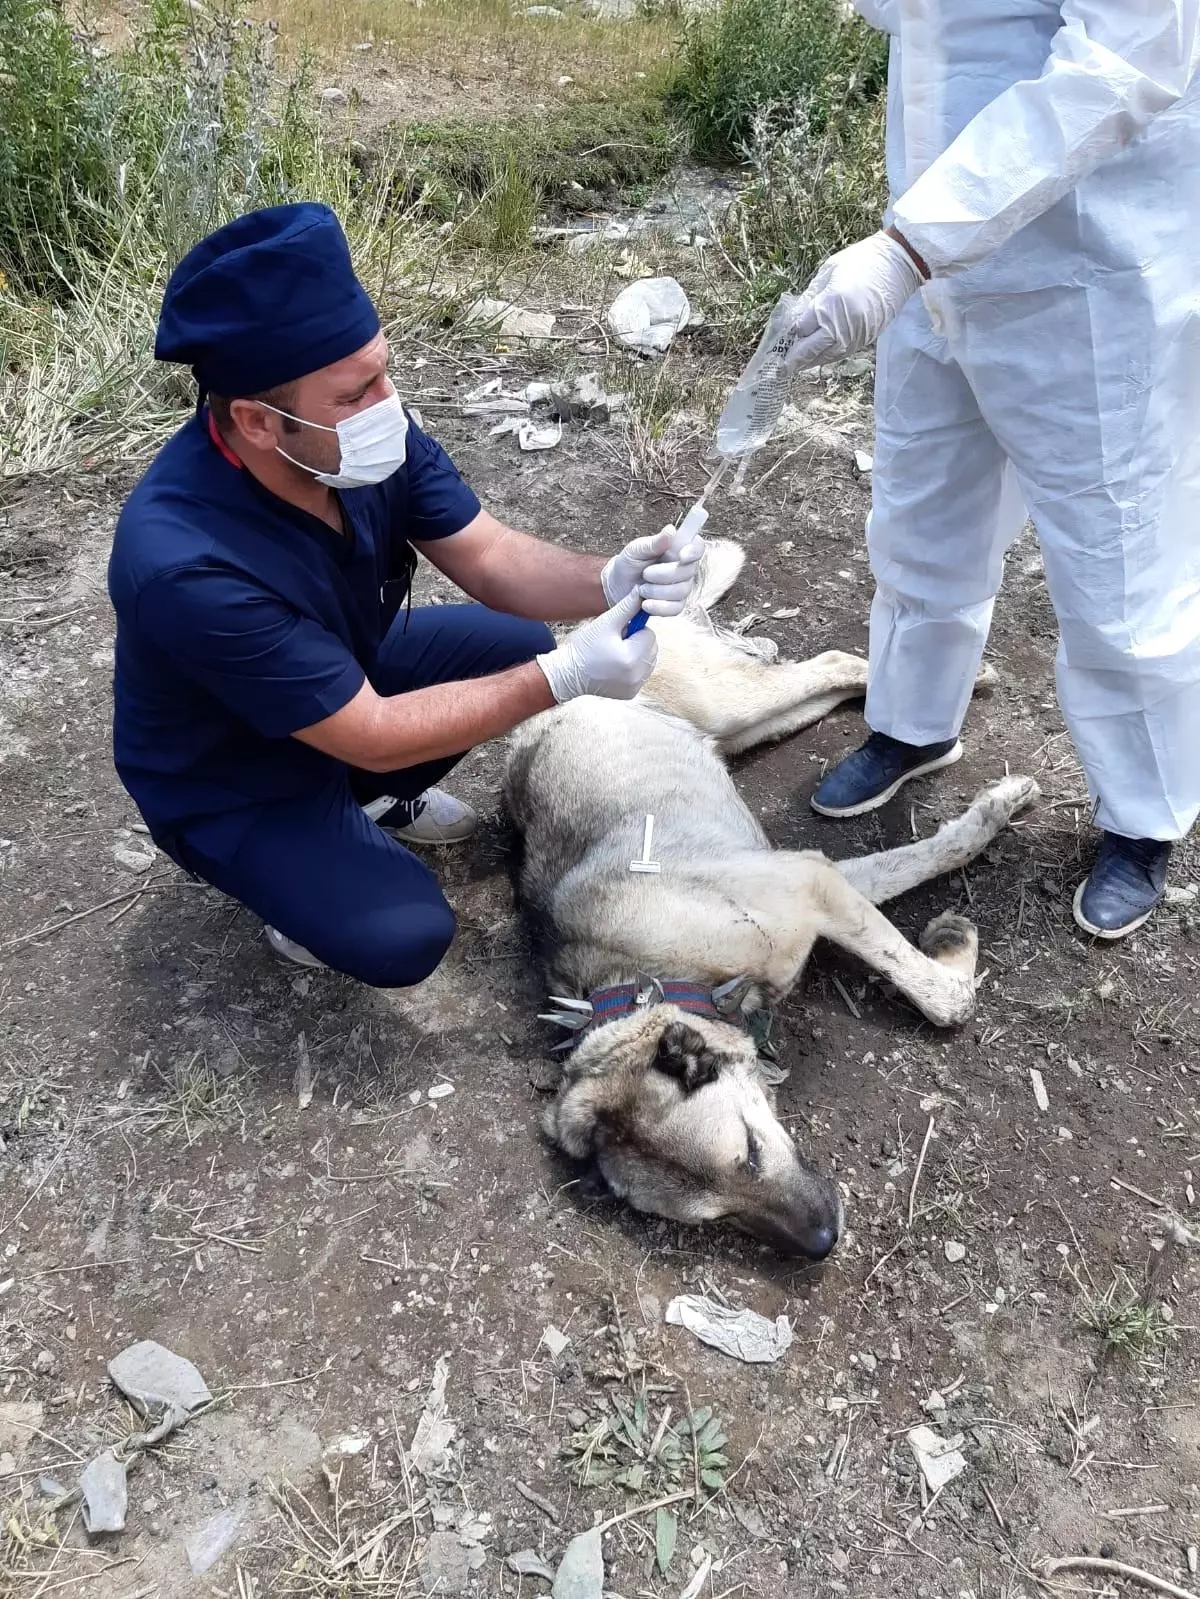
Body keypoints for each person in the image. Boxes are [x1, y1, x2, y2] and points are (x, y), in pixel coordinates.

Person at [108, 203, 703, 985]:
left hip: (339, 682)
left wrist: (607, 578)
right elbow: (375, 732)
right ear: (258, 421)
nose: (387, 401)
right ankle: (291, 884)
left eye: (384, 368)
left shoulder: (356, 441)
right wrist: (566, 675)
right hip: (233, 776)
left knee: (517, 638)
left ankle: (370, 806)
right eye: (356, 390)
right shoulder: (185, 562)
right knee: (406, 934)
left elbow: (489, 555)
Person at [778, 2, 1200, 940]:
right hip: (934, 260)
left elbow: (1127, 57)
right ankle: (913, 721)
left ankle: (1142, 813)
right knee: (923, 508)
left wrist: (912, 243)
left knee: (1116, 553)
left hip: (1086, 269)